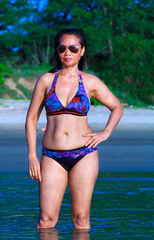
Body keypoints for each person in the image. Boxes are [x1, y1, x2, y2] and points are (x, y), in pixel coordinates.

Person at [25, 28, 123, 230]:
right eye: (62, 48)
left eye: (73, 48)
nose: (67, 53)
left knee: (80, 219)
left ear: (82, 50)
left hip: (84, 154)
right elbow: (31, 119)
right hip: (51, 156)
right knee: (46, 221)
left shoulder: (90, 81)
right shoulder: (46, 80)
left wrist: (106, 132)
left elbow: (117, 107)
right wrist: (32, 156)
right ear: (57, 51)